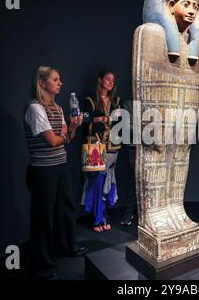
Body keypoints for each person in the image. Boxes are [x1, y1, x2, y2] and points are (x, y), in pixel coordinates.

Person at [25, 66, 88, 279]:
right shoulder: (35, 108)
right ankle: (42, 263)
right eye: (55, 79)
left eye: (59, 79)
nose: (60, 83)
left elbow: (65, 138)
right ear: (42, 83)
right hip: (43, 171)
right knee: (44, 216)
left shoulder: (58, 108)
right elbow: (52, 140)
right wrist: (64, 135)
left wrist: (71, 129)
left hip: (60, 166)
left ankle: (66, 246)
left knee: (66, 208)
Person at [82, 69, 121, 232]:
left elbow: (119, 122)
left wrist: (102, 119)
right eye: (107, 79)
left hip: (113, 148)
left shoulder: (116, 101)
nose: (111, 82)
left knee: (108, 181)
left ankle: (105, 216)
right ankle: (98, 218)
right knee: (97, 182)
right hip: (96, 149)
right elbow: (87, 127)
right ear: (100, 80)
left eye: (113, 80)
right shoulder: (90, 100)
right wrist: (106, 120)